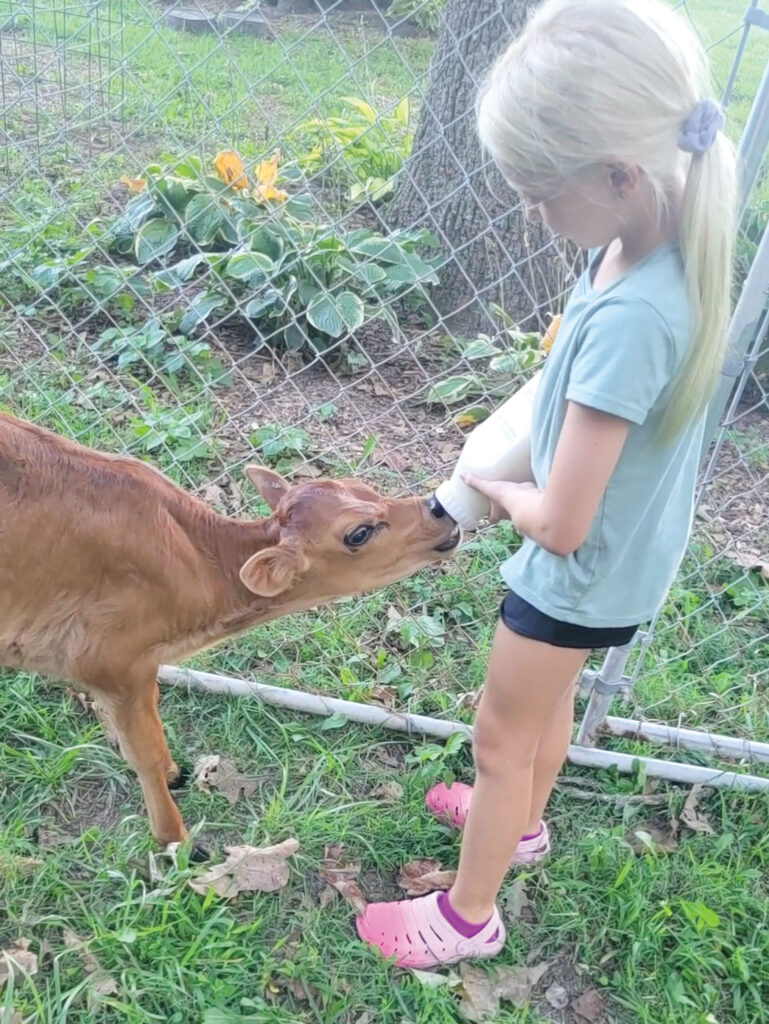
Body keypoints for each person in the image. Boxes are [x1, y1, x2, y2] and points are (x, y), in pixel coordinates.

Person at [356, 0, 736, 968]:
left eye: (538, 191)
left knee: (497, 728)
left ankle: (466, 916)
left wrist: (492, 490)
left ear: (617, 173)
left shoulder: (631, 318)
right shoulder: (655, 250)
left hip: (570, 574)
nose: (530, 212)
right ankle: (520, 821)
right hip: (621, 572)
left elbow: (561, 521)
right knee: (547, 710)